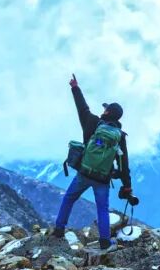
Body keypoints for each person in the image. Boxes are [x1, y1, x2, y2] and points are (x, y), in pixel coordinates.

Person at [52, 74, 135, 249]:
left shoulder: (92, 123)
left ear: (107, 112)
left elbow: (82, 107)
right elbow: (123, 165)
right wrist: (127, 186)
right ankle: (105, 240)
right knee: (102, 209)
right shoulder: (119, 137)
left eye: (105, 109)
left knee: (69, 199)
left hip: (84, 173)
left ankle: (59, 229)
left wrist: (75, 88)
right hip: (102, 179)